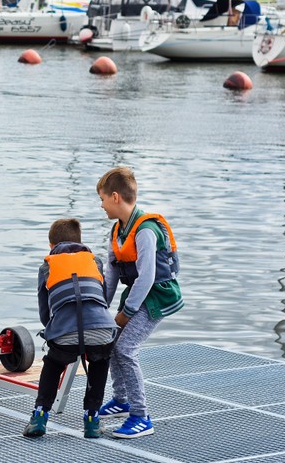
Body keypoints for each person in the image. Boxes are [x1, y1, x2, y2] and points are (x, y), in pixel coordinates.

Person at [96, 166, 182, 438]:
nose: (101, 206)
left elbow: (146, 278)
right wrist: (100, 310)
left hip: (157, 296)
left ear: (115, 197)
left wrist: (125, 314)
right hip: (137, 295)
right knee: (111, 341)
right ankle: (121, 400)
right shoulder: (117, 230)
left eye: (102, 199)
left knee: (125, 348)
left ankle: (141, 416)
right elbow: (110, 276)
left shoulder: (145, 231)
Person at [23, 219, 118, 439]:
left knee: (54, 363)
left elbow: (44, 311)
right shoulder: (95, 261)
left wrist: (53, 331)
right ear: (80, 242)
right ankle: (92, 421)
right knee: (100, 361)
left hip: (65, 331)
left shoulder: (47, 266)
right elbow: (102, 300)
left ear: (51, 245)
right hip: (101, 328)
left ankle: (39, 416)